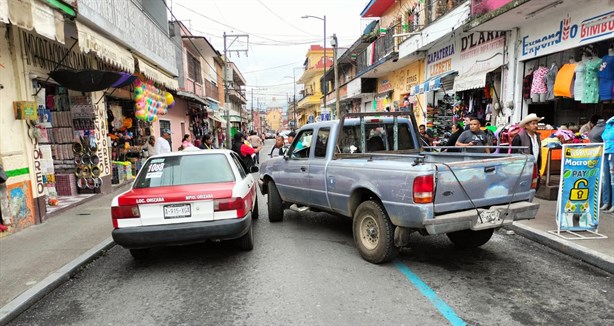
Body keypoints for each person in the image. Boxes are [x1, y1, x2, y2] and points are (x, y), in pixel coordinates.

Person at [600, 116, 614, 212]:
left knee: (613, 180)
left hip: (613, 154)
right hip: (605, 153)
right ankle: (606, 202)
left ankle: (613, 203)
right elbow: (609, 121)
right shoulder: (608, 126)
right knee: (606, 179)